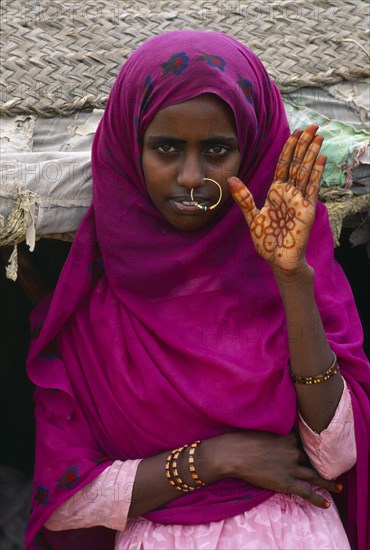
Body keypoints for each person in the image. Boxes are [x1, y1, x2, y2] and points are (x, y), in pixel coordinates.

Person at [25, 30, 369, 549]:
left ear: (250, 152)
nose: (191, 176)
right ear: (128, 147)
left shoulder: (301, 278)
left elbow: (335, 456)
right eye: (166, 147)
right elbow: (65, 503)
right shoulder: (88, 314)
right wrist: (215, 458)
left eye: (217, 150)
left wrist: (293, 281)